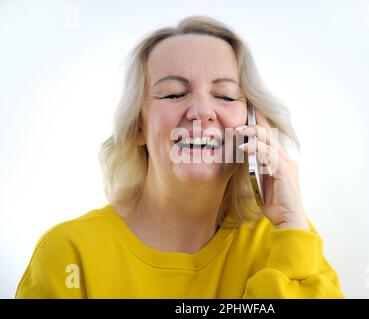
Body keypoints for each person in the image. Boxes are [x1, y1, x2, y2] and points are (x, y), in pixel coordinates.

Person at [15, 15, 344, 298]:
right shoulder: (68, 254)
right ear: (138, 126)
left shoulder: (288, 241)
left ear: (252, 123)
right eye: (173, 93)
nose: (201, 112)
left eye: (225, 95)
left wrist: (291, 225)